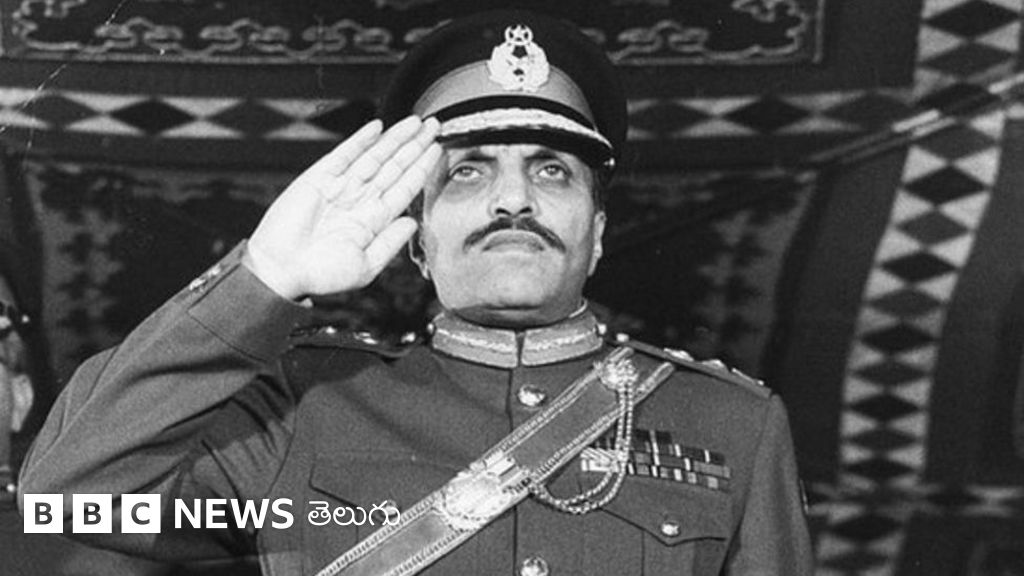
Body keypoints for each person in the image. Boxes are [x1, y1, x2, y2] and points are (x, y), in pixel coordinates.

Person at [19, 9, 812, 575]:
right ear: (418, 241)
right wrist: (262, 280)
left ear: (598, 231)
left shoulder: (734, 426)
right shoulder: (302, 409)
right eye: (467, 171)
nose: (513, 200)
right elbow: (71, 498)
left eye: (551, 170)